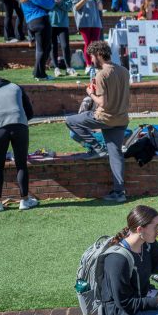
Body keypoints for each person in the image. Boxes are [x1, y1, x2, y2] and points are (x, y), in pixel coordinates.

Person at [65, 40, 130, 202]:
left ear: (99, 55)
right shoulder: (123, 70)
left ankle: (95, 148)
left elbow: (102, 103)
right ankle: (119, 193)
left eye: (92, 56)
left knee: (71, 121)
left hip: (104, 117)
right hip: (121, 118)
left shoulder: (101, 74)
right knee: (115, 155)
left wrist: (90, 92)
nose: (91, 60)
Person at [0, 77, 36, 212]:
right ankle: (25, 200)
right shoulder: (16, 87)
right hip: (19, 126)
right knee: (21, 164)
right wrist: (20, 121)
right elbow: (30, 112)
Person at [19, 0, 55, 81]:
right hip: (41, 21)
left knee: (41, 49)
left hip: (31, 23)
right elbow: (50, 4)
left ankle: (37, 72)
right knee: (44, 49)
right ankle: (40, 74)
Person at [45, 0, 76, 77]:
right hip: (50, 23)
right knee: (53, 46)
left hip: (62, 23)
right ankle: (56, 68)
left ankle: (69, 68)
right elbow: (43, 6)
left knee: (65, 46)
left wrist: (60, 2)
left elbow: (68, 6)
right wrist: (53, 2)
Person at [71, 0, 103, 76]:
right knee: (88, 44)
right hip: (84, 22)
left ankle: (95, 65)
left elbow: (100, 8)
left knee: (95, 45)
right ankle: (89, 65)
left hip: (95, 22)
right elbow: (76, 7)